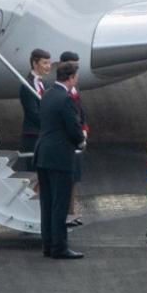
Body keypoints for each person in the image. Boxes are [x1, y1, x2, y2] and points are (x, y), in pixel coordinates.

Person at [34, 62, 85, 259]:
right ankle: (59, 247)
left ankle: (47, 244)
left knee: (46, 203)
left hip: (43, 154)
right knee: (60, 204)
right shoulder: (66, 99)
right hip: (60, 157)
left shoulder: (47, 94)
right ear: (71, 78)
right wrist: (80, 141)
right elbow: (73, 128)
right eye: (76, 77)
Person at [60, 50, 87, 227]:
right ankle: (65, 214)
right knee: (66, 179)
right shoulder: (61, 91)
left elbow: (81, 113)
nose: (75, 70)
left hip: (76, 139)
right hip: (68, 141)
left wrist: (84, 129)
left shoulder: (74, 89)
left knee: (73, 179)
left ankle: (71, 212)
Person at [18, 49, 50, 173]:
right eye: (45, 63)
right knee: (36, 174)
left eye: (49, 63)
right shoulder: (28, 85)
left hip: (43, 134)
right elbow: (32, 112)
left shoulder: (43, 83)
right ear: (35, 64)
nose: (48, 66)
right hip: (33, 135)